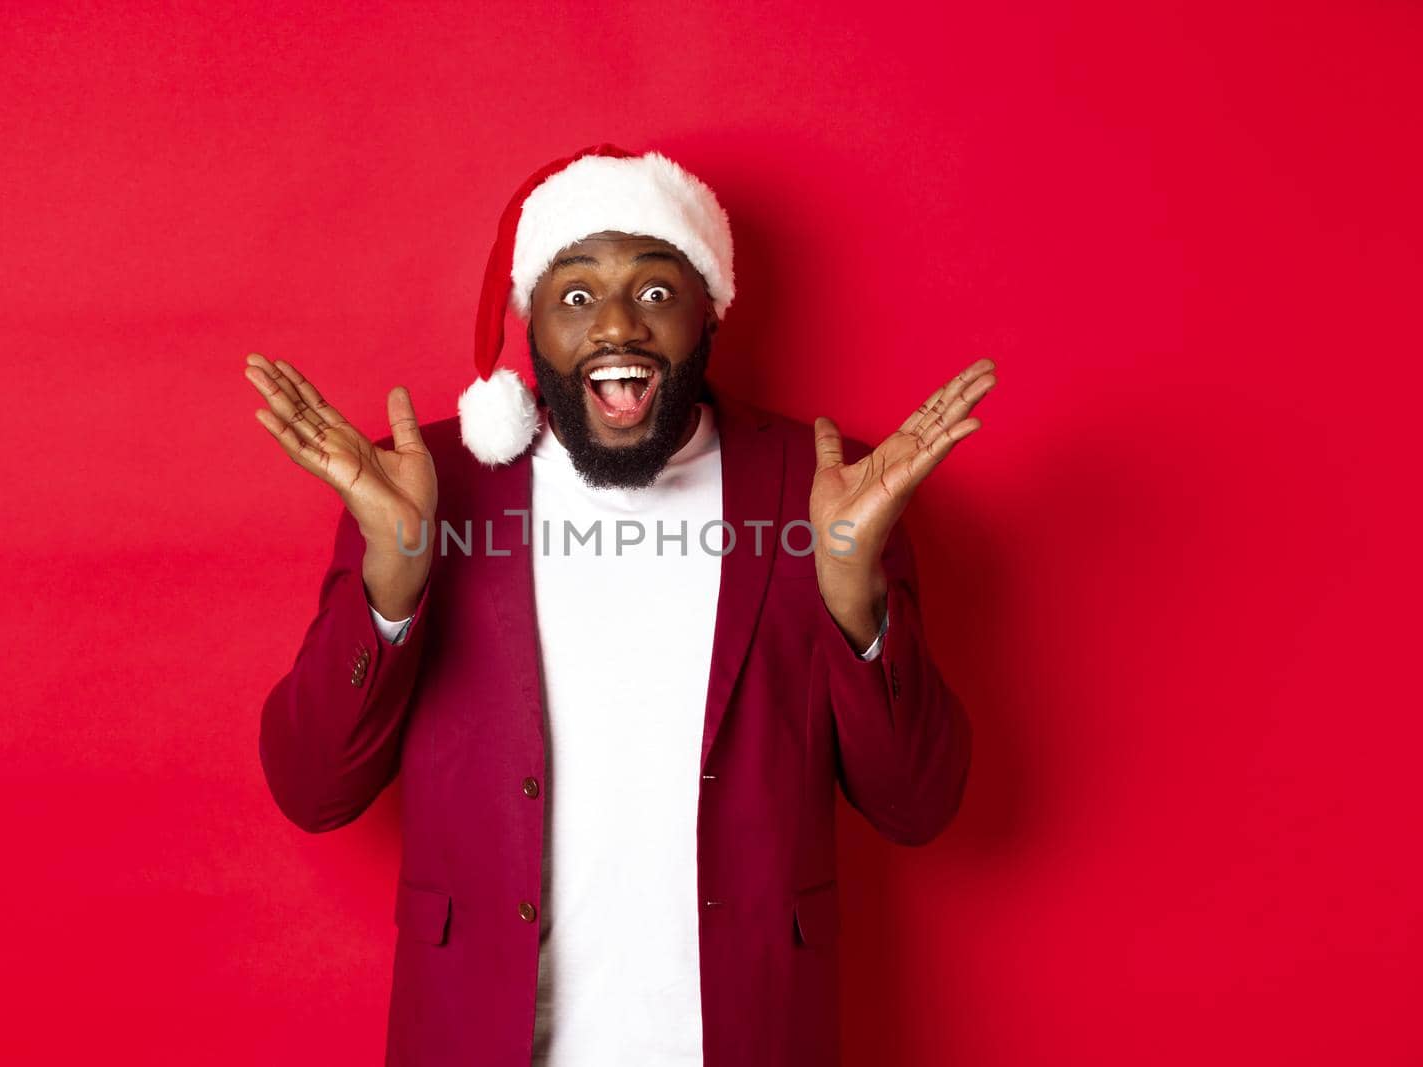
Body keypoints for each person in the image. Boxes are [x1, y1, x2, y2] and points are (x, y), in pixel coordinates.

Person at [245, 143, 993, 1067]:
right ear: (531, 323)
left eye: (653, 290)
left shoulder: (825, 489)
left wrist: (856, 604)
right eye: (574, 294)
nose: (615, 327)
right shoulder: (428, 487)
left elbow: (919, 804)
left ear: (707, 310)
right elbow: (313, 790)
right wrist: (392, 586)